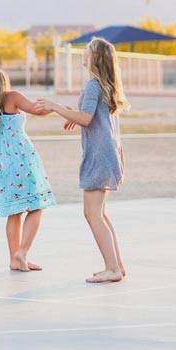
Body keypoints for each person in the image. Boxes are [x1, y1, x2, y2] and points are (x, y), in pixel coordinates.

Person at [36, 37, 126, 283]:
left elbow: (86, 118)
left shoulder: (92, 85)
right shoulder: (102, 85)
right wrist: (72, 114)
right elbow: (89, 115)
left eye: (86, 52)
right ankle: (116, 265)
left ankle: (113, 269)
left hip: (99, 155)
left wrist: (55, 106)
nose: (82, 55)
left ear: (95, 57)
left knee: (92, 214)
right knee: (100, 213)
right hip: (107, 153)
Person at [0, 66, 55, 272]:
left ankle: (15, 259)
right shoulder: (12, 97)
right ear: (3, 81)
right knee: (36, 205)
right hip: (19, 157)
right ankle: (22, 253)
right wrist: (57, 107)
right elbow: (38, 110)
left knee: (15, 210)